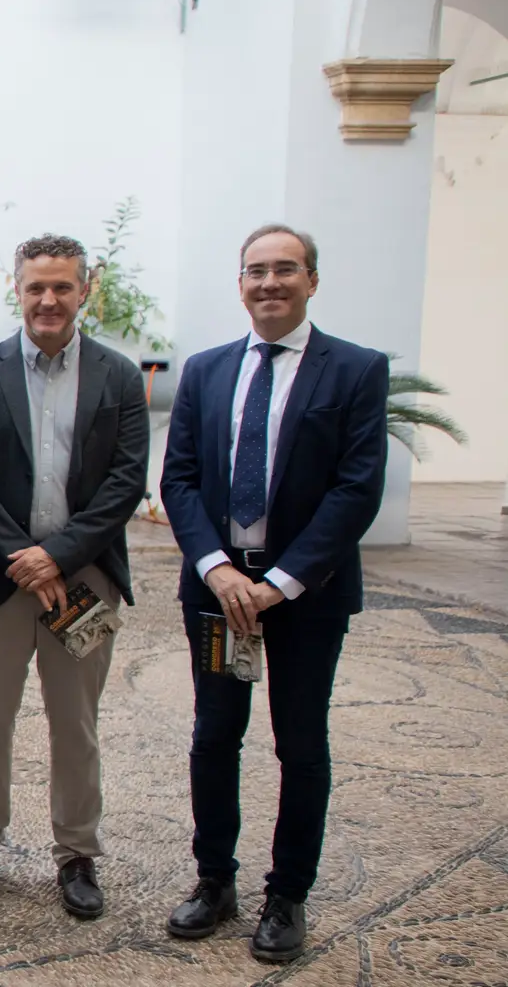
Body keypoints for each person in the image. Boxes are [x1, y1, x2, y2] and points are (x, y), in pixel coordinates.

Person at [160, 224, 387, 963]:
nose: (269, 283)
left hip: (306, 597)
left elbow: (356, 489)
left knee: (301, 744)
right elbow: (181, 478)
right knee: (213, 736)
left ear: (312, 280)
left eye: (285, 269)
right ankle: (213, 881)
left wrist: (281, 583)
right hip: (218, 591)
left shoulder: (353, 370)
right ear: (240, 283)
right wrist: (217, 569)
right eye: (255, 270)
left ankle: (287, 894)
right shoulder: (207, 370)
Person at [0, 234, 151, 919]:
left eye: (62, 286)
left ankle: (77, 853)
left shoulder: (119, 376)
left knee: (77, 723)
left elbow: (126, 482)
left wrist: (57, 555)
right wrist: (23, 557)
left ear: (84, 289)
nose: (48, 299)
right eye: (36, 286)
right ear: (17, 288)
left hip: (83, 579)